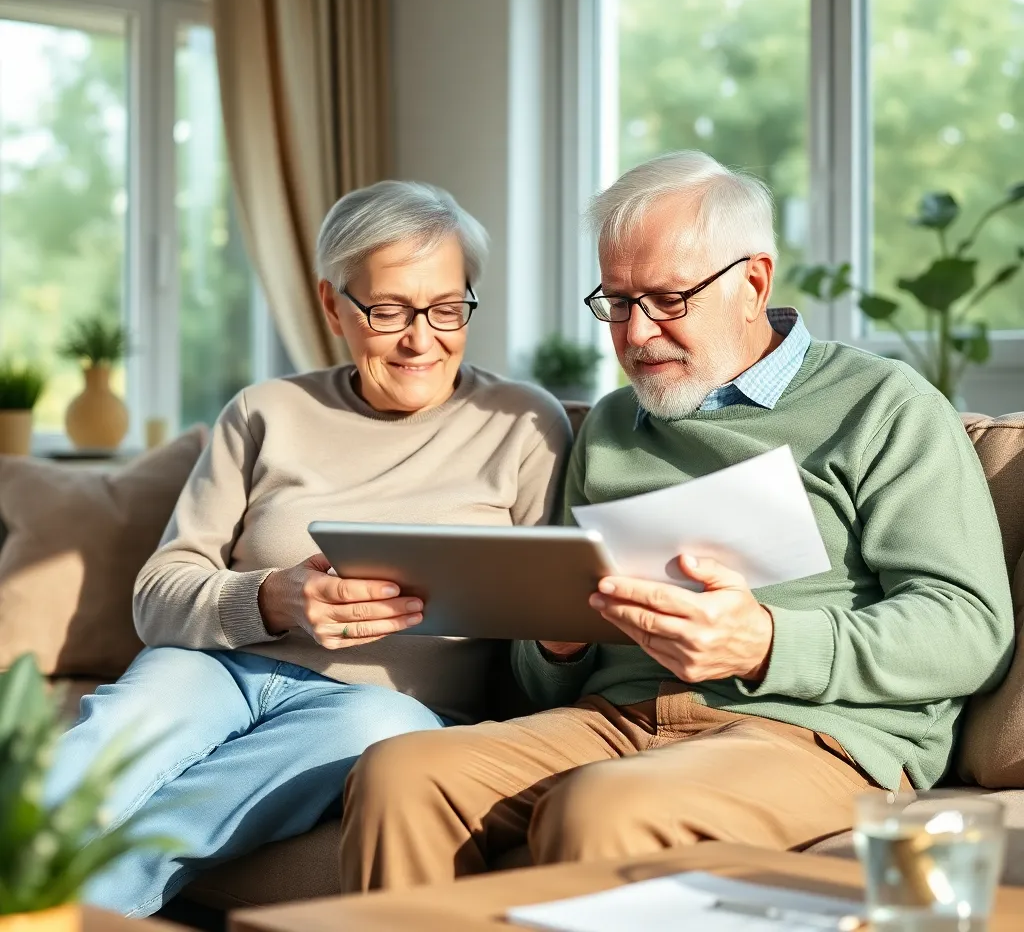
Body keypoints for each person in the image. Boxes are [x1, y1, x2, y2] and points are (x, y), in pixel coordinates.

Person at [338, 150, 1014, 891]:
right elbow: (545, 686)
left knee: (603, 807)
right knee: (401, 772)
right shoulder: (614, 425)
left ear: (753, 282)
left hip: (815, 737)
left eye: (666, 299)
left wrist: (765, 642)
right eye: (618, 303)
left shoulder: (881, 405)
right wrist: (556, 644)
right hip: (617, 718)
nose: (635, 334)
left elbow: (970, 629)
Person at [46, 180, 572, 916]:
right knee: (93, 763)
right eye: (388, 310)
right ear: (333, 306)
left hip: (386, 705)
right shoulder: (265, 411)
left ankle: (55, 913)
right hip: (216, 670)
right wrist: (270, 596)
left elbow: (539, 624)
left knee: (374, 732)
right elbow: (158, 592)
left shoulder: (525, 424)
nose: (422, 338)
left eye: (447, 308)